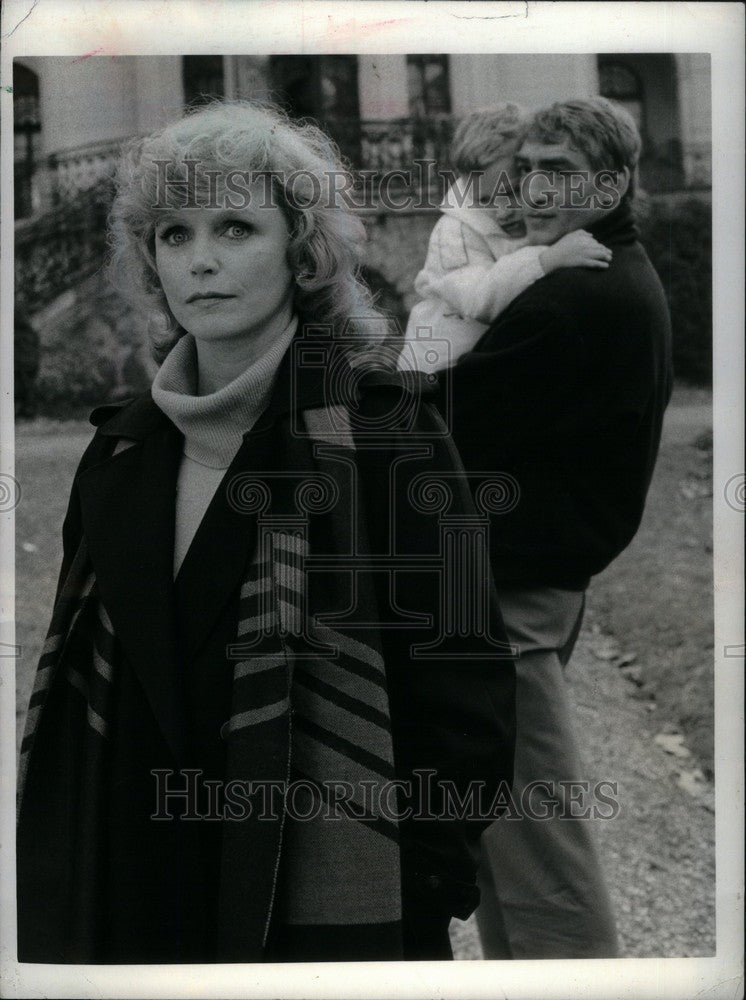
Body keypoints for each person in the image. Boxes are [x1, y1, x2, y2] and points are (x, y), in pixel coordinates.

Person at [16, 100, 516, 965]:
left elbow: (466, 694)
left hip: (321, 907)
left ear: (303, 249)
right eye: (174, 234)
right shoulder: (119, 449)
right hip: (133, 894)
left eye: (236, 226)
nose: (201, 260)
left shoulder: (387, 432)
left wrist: (423, 889)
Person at [434, 97, 674, 959]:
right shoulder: (587, 273)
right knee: (505, 842)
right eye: (527, 166)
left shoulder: (580, 295)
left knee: (541, 858)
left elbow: (437, 424)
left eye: (560, 170)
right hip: (525, 590)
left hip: (514, 604)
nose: (533, 186)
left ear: (614, 183)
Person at [399, 105, 612, 374]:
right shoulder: (453, 232)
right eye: (485, 200)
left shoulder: (538, 215)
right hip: (435, 376)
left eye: (511, 192)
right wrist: (546, 259)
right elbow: (479, 301)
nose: (502, 211)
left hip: (484, 366)